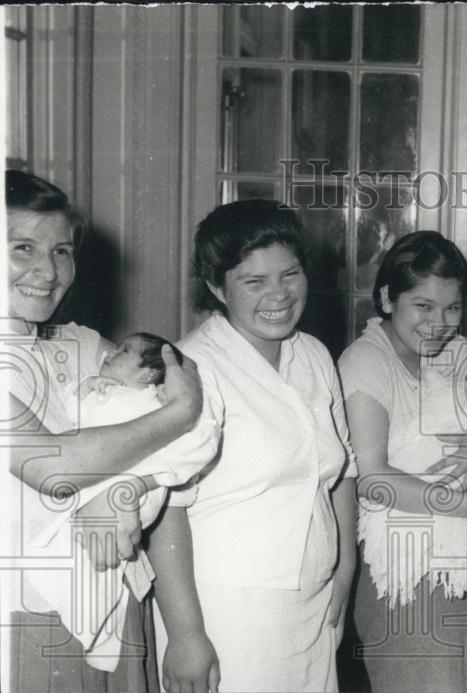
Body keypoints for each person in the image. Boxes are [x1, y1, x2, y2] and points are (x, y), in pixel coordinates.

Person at [4, 170, 210, 692]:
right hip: (29, 620)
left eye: (62, 250)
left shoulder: (81, 344)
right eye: (22, 246)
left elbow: (200, 407)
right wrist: (175, 417)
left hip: (119, 602)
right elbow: (53, 468)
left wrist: (131, 487)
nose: (46, 271)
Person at [149, 199, 358, 692]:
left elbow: (342, 470)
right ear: (217, 287)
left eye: (290, 274)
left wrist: (345, 568)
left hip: (315, 602)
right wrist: (185, 633)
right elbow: (164, 508)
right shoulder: (191, 370)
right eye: (254, 281)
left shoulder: (313, 355)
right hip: (227, 613)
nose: (279, 295)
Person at [339, 230, 467, 693]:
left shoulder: (458, 352)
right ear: (387, 298)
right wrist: (465, 505)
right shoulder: (366, 362)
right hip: (408, 567)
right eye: (422, 306)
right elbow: (370, 478)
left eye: (452, 308)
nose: (439, 323)